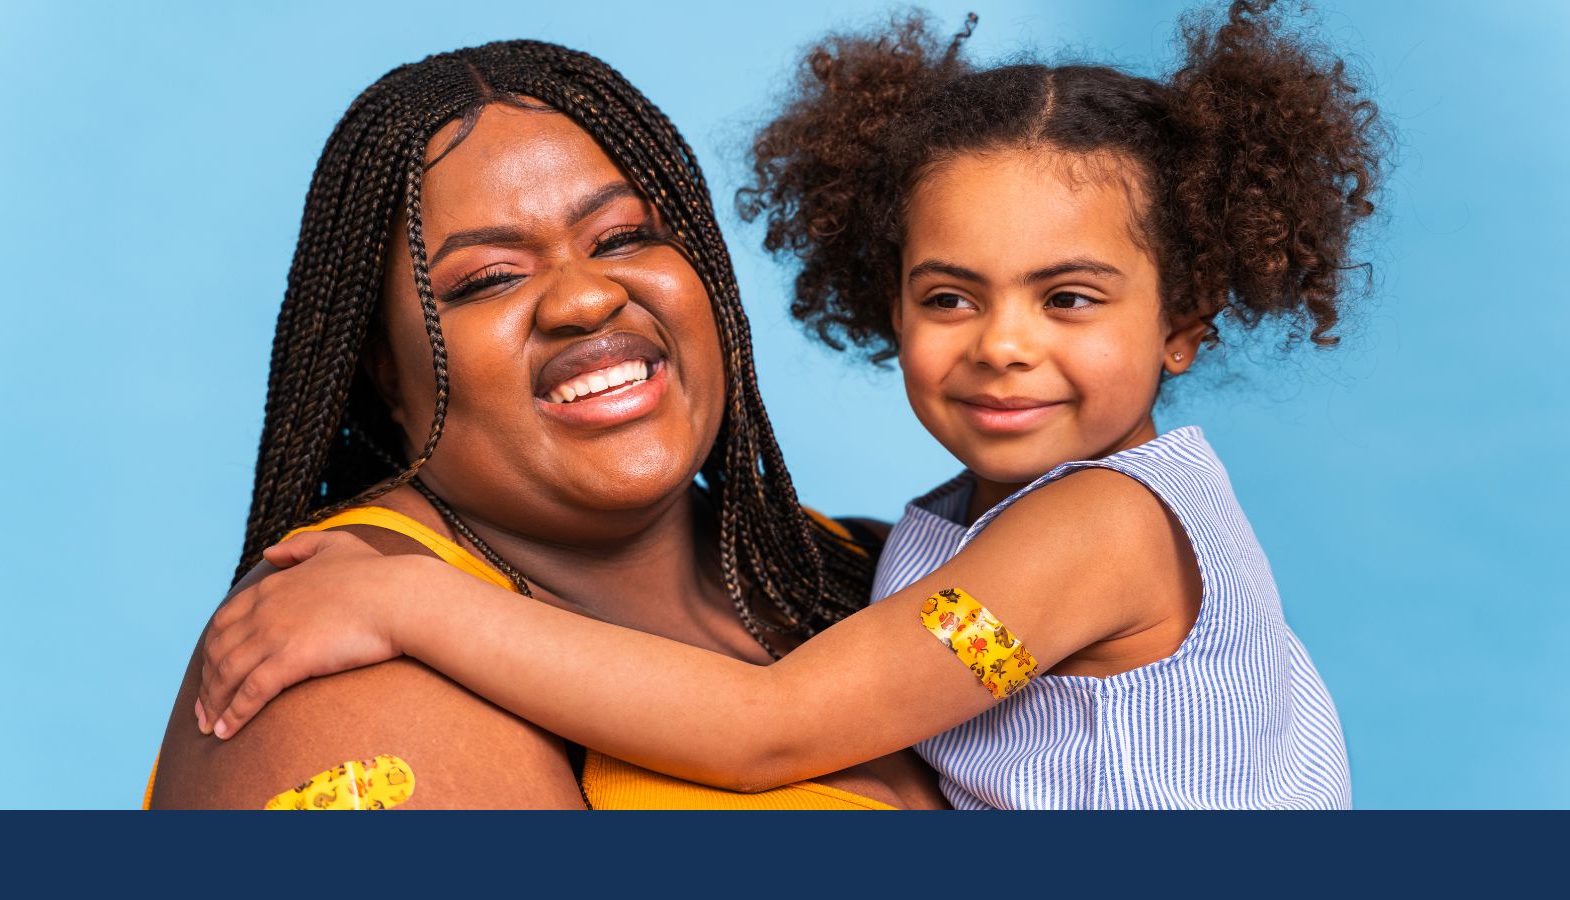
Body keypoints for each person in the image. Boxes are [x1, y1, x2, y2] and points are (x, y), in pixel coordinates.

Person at [197, 0, 1383, 808]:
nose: (1006, 347)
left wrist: (421, 609)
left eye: (1070, 298)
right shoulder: (931, 545)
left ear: (1184, 321)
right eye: (951, 297)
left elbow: (774, 725)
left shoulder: (1093, 533)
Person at [147, 38, 947, 810]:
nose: (586, 298)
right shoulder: (331, 646)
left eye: (626, 236)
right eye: (488, 279)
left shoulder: (887, 568)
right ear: (385, 370)